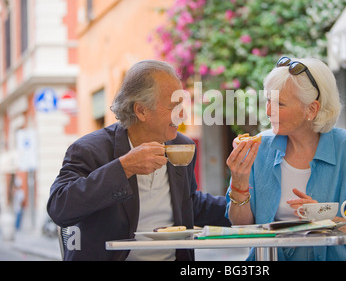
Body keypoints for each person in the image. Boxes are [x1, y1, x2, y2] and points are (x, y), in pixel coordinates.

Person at [47, 60, 230, 261]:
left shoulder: (181, 145)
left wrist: (249, 204)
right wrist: (124, 167)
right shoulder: (89, 149)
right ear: (141, 110)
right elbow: (59, 207)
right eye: (173, 106)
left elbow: (189, 204)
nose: (183, 115)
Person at [226, 56, 346, 261]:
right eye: (268, 101)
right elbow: (241, 225)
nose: (269, 111)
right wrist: (239, 182)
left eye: (280, 104)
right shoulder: (259, 146)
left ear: (311, 109)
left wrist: (322, 218)